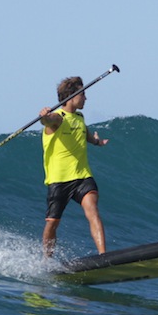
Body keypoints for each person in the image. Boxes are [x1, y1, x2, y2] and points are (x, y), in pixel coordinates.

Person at [39, 76, 110, 258]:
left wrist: (96, 141)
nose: (86, 98)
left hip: (82, 177)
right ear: (71, 96)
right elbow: (48, 121)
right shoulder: (58, 119)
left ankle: (104, 256)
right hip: (59, 180)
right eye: (83, 94)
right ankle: (47, 262)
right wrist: (44, 116)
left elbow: (83, 133)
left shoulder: (79, 117)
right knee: (52, 223)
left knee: (93, 210)